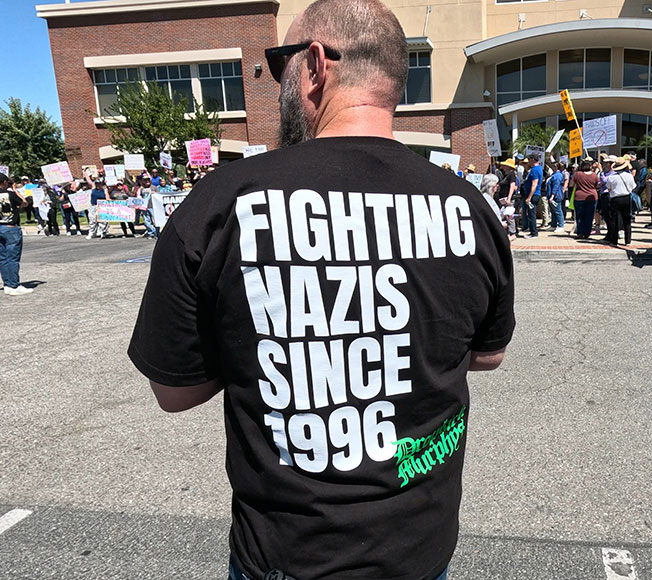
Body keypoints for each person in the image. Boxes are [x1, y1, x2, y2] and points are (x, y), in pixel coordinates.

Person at [128, 2, 515, 579]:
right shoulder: (470, 209)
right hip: (421, 550)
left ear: (314, 65)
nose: (277, 80)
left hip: (289, 556)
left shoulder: (219, 204)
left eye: (278, 63)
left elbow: (175, 390)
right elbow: (488, 354)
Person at [0, 173, 33, 294]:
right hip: (10, 227)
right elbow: (24, 203)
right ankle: (14, 285)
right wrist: (15, 191)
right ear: (4, 182)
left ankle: (7, 284)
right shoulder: (9, 194)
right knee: (13, 258)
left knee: (3, 258)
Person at [604, 156, 635, 246]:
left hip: (615, 198)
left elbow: (609, 189)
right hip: (626, 197)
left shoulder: (611, 177)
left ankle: (614, 241)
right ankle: (628, 240)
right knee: (627, 220)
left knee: (615, 220)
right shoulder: (629, 176)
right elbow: (633, 187)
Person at [571, 160, 599, 239]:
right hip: (592, 196)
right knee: (589, 216)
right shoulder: (594, 175)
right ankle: (587, 232)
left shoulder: (577, 174)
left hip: (579, 196)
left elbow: (571, 184)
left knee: (579, 216)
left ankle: (580, 232)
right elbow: (597, 185)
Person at [497, 158, 519, 239]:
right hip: (502, 198)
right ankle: (507, 232)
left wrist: (509, 198)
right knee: (504, 215)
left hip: (507, 198)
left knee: (509, 215)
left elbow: (512, 186)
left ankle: (512, 233)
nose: (503, 167)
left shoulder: (511, 175)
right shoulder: (505, 175)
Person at [521, 153, 543, 238]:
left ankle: (533, 233)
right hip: (535, 194)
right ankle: (532, 231)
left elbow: (534, 184)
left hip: (533, 195)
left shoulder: (534, 170)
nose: (528, 162)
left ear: (533, 160)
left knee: (531, 214)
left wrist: (529, 197)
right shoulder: (538, 168)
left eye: (529, 160)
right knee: (531, 213)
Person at [545, 161, 566, 232]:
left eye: (554, 166)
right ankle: (553, 225)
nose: (552, 167)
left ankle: (560, 225)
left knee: (558, 211)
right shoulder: (553, 174)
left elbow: (556, 186)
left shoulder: (558, 175)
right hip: (551, 195)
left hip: (556, 196)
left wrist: (552, 196)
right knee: (553, 211)